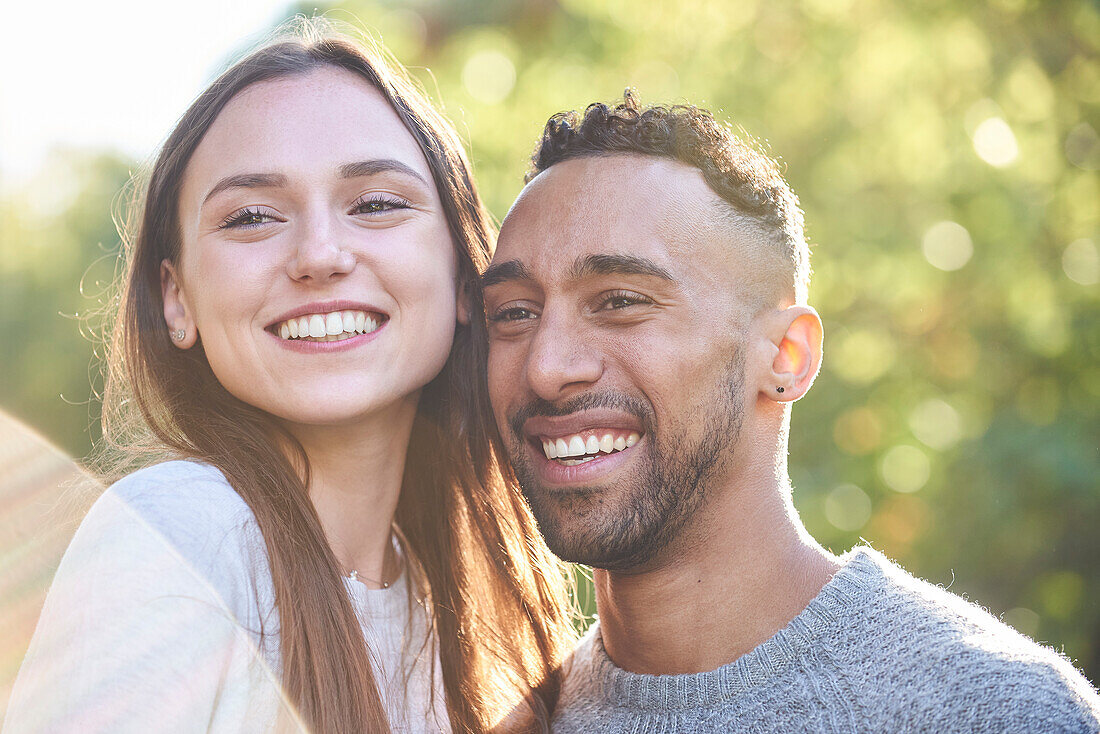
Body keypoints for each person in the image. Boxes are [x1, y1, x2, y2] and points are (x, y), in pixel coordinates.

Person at [2, 22, 575, 734]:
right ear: (177, 299)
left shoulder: (464, 617)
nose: (320, 254)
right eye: (251, 217)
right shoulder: (179, 536)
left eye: (375, 204)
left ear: (462, 273)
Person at [481, 94, 1100, 732]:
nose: (545, 367)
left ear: (786, 354)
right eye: (515, 313)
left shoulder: (992, 710)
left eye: (619, 301)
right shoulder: (509, 716)